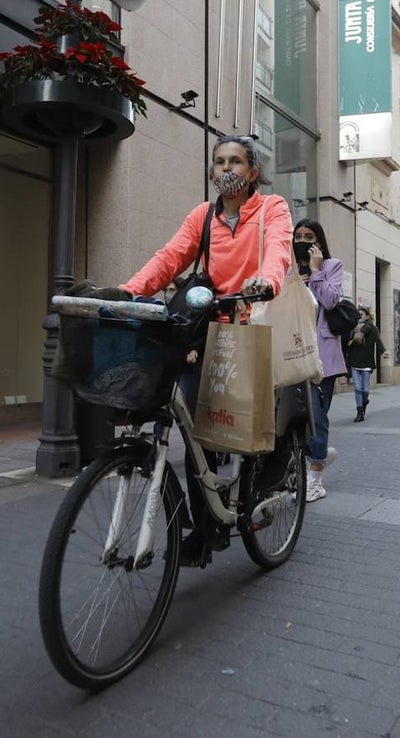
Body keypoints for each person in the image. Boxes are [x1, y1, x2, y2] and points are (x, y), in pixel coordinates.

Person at [114, 134, 293, 564]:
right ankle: (207, 524)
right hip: (207, 329)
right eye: (218, 162)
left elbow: (279, 253)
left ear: (252, 171)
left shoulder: (272, 209)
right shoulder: (203, 216)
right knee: (196, 427)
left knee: (257, 425)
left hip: (252, 325)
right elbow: (169, 258)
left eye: (235, 161)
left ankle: (266, 477)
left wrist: (265, 283)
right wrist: (126, 291)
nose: (226, 169)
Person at [292, 218, 345, 502]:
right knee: (291, 416)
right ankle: (319, 453)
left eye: (308, 236)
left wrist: (315, 272)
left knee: (316, 414)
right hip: (290, 349)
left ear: (318, 241)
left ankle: (315, 478)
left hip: (322, 353)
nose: (301, 240)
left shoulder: (331, 266)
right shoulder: (286, 267)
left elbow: (330, 301)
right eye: (297, 235)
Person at [346, 305, 388, 422]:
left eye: (362, 314)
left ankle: (364, 401)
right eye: (358, 314)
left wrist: (383, 352)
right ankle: (359, 412)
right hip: (354, 361)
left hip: (366, 362)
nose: (359, 316)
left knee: (365, 390)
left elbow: (378, 341)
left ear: (367, 316)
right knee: (357, 388)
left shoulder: (372, 328)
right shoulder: (352, 328)